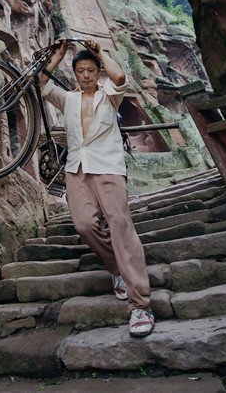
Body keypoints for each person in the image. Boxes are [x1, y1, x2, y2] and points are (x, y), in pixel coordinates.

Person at [39, 39, 155, 337]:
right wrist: (58, 56)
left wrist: (101, 53)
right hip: (77, 168)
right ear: (75, 73)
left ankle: (140, 303)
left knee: (120, 225)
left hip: (108, 165)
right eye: (81, 71)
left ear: (97, 71)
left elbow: (119, 78)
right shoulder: (68, 99)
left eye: (91, 69)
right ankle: (115, 267)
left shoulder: (109, 96)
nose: (87, 75)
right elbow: (40, 82)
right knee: (85, 225)